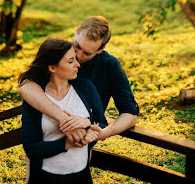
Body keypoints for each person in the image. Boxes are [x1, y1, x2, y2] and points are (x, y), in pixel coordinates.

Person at [18, 16, 139, 147]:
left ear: (100, 50)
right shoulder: (57, 51)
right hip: (44, 138)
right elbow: (26, 86)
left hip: (83, 144)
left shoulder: (109, 65)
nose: (78, 56)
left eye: (87, 53)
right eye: (77, 46)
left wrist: (103, 133)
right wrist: (64, 119)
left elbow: (130, 113)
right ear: (76, 33)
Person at [19, 38, 107, 183]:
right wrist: (68, 143)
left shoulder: (85, 87)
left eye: (75, 59)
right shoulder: (35, 98)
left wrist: (88, 126)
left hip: (82, 176)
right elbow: (31, 149)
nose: (77, 65)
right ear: (52, 67)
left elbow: (101, 122)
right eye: (70, 61)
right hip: (45, 178)